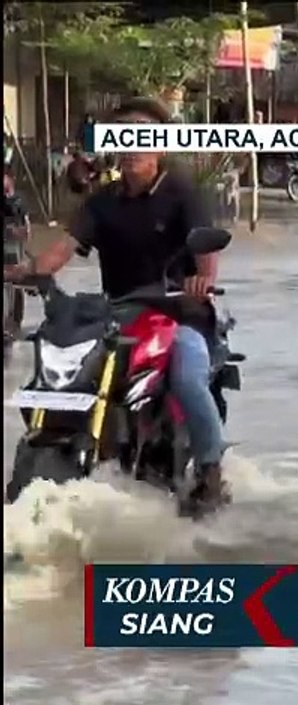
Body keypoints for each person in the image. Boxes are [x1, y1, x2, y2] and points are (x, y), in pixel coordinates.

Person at [2, 96, 229, 508]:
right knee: (62, 368)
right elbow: (61, 250)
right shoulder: (102, 201)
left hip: (179, 314)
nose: (129, 147)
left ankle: (211, 474)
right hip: (118, 317)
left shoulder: (183, 193)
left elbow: (206, 255)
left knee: (187, 378)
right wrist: (23, 271)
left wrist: (201, 282)